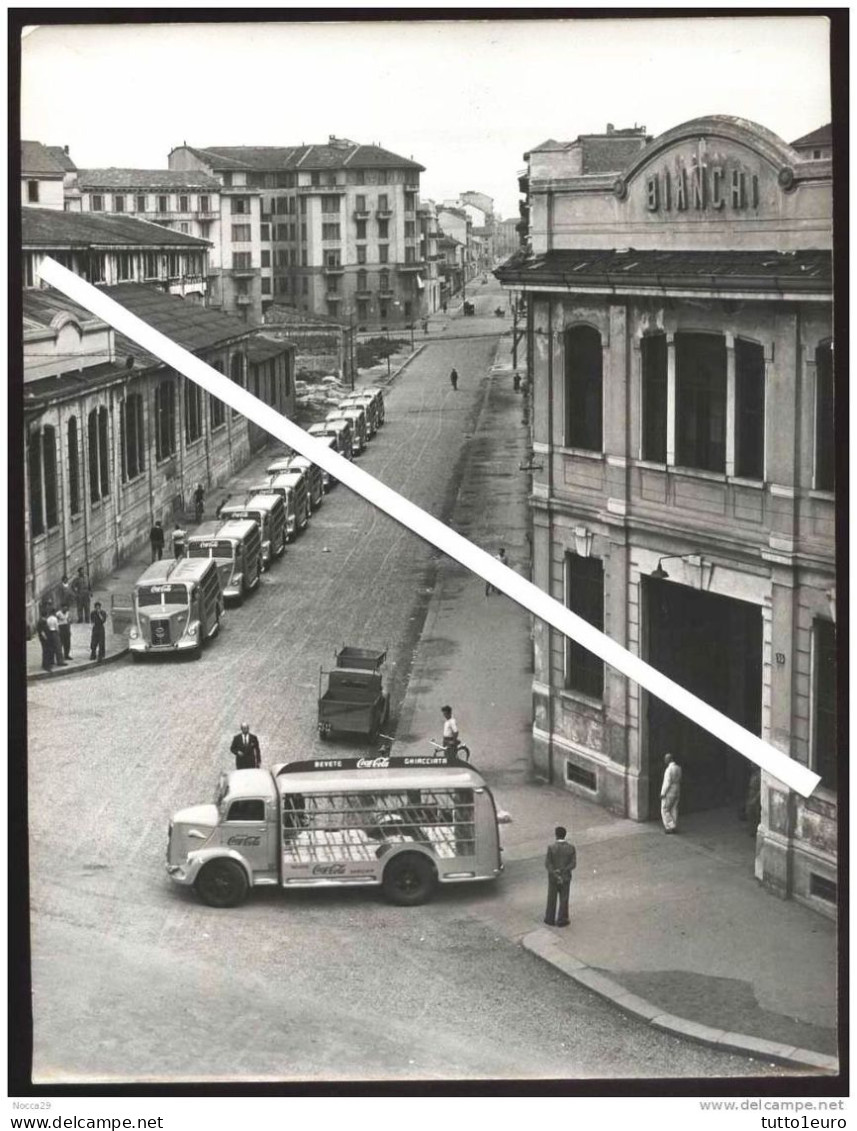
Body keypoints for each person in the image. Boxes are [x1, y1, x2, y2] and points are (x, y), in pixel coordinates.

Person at [544, 825, 577, 927]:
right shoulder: (571, 848)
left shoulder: (551, 848)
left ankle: (550, 918)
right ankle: (562, 919)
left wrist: (555, 872)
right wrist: (564, 871)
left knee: (551, 898)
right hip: (565, 877)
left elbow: (548, 863)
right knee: (564, 898)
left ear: (556, 835)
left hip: (553, 878)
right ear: (565, 835)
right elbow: (573, 864)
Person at [660, 752, 682, 834]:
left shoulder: (668, 770)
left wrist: (663, 793)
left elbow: (667, 782)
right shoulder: (679, 768)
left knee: (665, 809)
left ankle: (670, 826)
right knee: (674, 809)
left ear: (669, 759)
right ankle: (674, 825)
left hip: (669, 791)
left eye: (666, 759)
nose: (664, 760)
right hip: (677, 789)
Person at [36, 607, 53, 672]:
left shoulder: (41, 621)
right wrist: (46, 638)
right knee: (46, 651)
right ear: (46, 615)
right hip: (45, 639)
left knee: (45, 651)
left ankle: (44, 664)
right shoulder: (42, 621)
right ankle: (47, 666)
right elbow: (42, 631)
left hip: (44, 639)